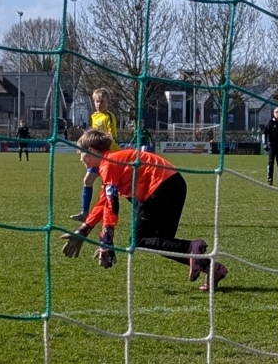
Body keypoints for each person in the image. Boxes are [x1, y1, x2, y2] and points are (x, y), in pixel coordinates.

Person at [63, 130, 225, 289]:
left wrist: (106, 242)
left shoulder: (108, 163)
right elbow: (103, 203)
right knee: (162, 242)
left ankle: (192, 247)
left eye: (80, 153)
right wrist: (83, 231)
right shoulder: (111, 163)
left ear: (90, 151)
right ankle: (212, 268)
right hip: (174, 185)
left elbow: (112, 205)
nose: (80, 159)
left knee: (138, 240)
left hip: (161, 188)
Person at [79, 89, 119, 221]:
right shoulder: (94, 116)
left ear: (108, 103)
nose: (99, 104)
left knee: (110, 187)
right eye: (97, 101)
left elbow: (111, 137)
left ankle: (110, 213)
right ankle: (84, 212)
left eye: (102, 101)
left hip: (109, 154)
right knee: (88, 180)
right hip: (97, 155)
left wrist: (99, 139)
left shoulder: (109, 116)